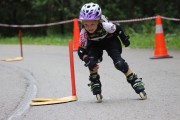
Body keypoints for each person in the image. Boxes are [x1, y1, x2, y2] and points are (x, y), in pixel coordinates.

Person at [77, 2, 147, 102]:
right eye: (86, 24)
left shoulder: (106, 25)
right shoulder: (83, 32)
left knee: (119, 63)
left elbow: (118, 28)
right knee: (91, 62)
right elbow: (80, 50)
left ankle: (134, 80)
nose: (89, 27)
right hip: (94, 44)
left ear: (98, 21)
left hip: (110, 40)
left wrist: (124, 39)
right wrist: (86, 59)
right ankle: (94, 81)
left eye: (92, 24)